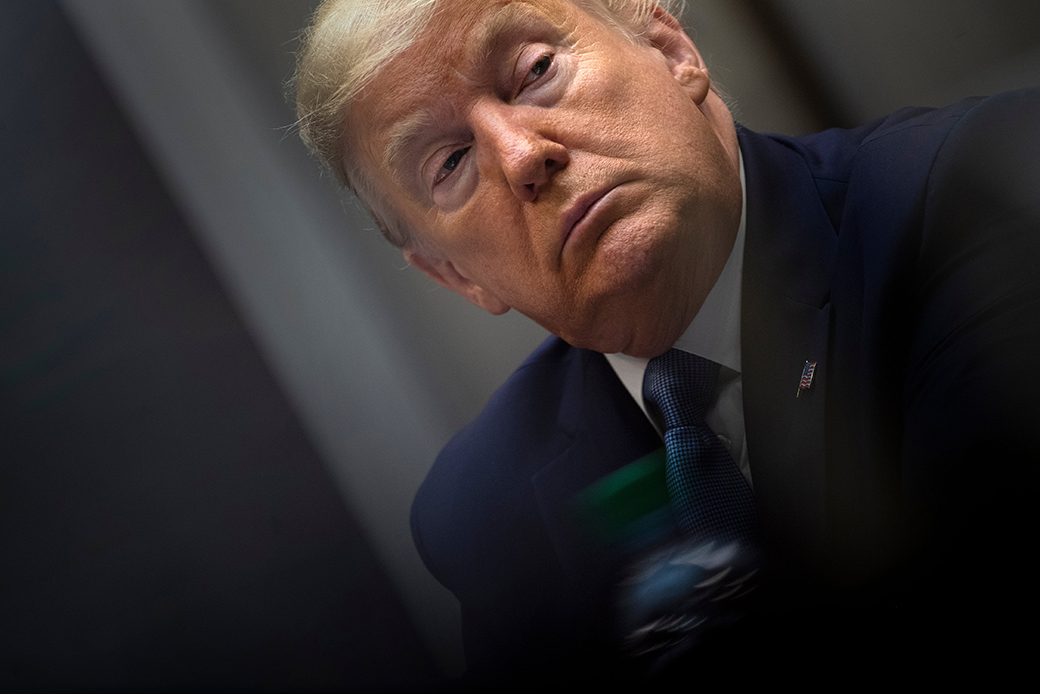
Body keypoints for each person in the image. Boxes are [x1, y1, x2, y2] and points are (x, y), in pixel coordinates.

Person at [295, 0, 1040, 682]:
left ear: (668, 45)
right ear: (455, 275)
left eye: (536, 71)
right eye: (450, 163)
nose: (523, 156)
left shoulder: (982, 196)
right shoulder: (487, 510)